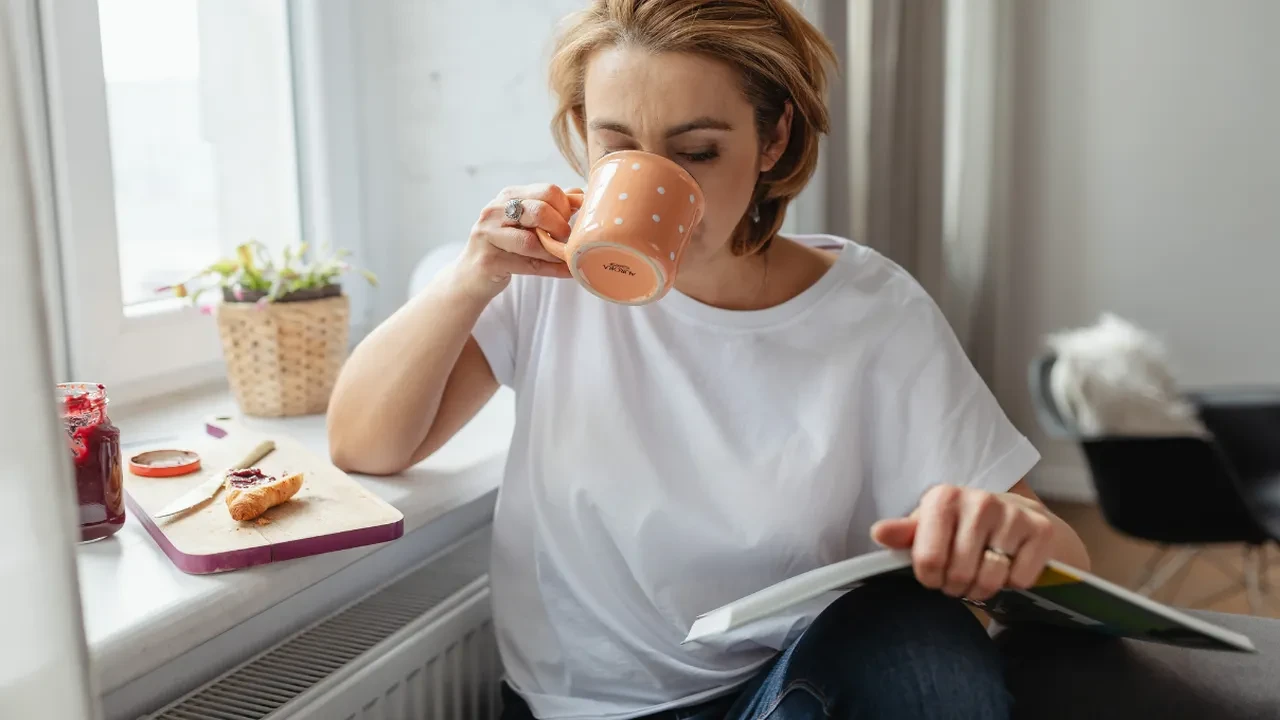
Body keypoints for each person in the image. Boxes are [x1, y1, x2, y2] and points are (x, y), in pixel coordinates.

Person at [327, 1, 1091, 718]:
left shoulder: (871, 311)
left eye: (697, 151)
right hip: (585, 710)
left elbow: (1067, 565)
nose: (656, 181)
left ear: (774, 140)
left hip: (784, 693)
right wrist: (471, 278)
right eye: (616, 145)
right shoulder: (544, 283)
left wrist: (1009, 534)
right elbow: (365, 443)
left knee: (916, 632)